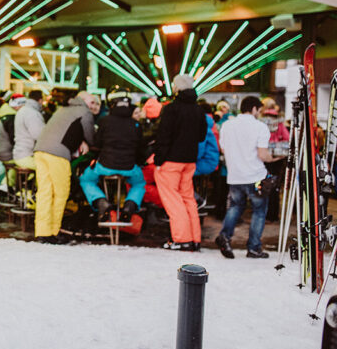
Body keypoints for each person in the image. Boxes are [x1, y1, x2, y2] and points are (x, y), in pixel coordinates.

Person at [215, 96, 282, 259]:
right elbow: (263, 154)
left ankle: (225, 236)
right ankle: (253, 247)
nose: (259, 114)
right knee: (259, 211)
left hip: (235, 175)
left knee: (235, 207)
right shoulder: (260, 127)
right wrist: (276, 157)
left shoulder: (227, 126)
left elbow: (223, 149)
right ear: (253, 109)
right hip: (256, 175)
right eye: (259, 110)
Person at [33, 91, 96, 243]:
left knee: (45, 192)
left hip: (40, 151)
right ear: (84, 101)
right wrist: (87, 142)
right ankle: (54, 231)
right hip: (58, 154)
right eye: (93, 102)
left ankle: (42, 231)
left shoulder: (63, 109)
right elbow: (91, 137)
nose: (95, 106)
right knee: (61, 192)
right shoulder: (84, 112)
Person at [153, 74, 207, 251]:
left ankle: (182, 239)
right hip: (189, 160)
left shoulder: (171, 109)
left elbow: (163, 136)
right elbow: (201, 136)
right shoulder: (199, 110)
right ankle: (195, 238)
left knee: (173, 200)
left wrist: (159, 159)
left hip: (170, 161)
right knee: (188, 199)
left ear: (177, 88)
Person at [80, 87, 146, 222]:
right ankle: (129, 206)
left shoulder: (104, 121)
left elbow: (97, 145)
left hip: (105, 165)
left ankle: (100, 201)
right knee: (139, 183)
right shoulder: (136, 124)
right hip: (129, 167)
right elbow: (140, 149)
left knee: (86, 179)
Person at [12, 90, 45, 169]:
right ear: (40, 100)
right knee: (46, 168)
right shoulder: (32, 113)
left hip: (19, 153)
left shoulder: (23, 110)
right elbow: (39, 135)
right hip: (26, 155)